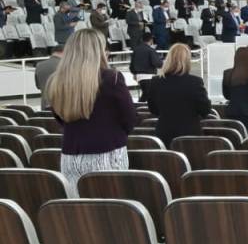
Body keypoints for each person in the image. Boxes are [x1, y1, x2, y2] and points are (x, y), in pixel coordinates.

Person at [45, 29, 135, 196]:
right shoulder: (111, 78)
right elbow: (129, 118)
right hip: (108, 154)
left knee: (81, 213)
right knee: (110, 212)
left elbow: (60, 117)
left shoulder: (56, 80)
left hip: (70, 156)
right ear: (98, 50)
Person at [147, 43, 211, 146]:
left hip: (163, 134)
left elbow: (153, 109)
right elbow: (205, 110)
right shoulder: (195, 82)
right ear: (187, 61)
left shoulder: (156, 82)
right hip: (190, 137)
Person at [34, 45, 63, 109]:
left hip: (45, 105)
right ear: (63, 52)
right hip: (61, 107)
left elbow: (38, 86)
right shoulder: (65, 65)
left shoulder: (39, 65)